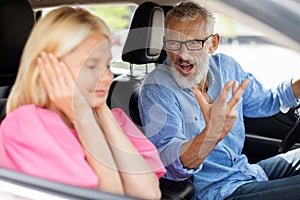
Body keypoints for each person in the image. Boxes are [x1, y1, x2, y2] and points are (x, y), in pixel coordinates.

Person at [138, 1, 300, 200]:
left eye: (194, 42)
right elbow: (170, 163)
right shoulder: (156, 89)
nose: (182, 54)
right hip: (216, 192)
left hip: (246, 172)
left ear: (213, 43)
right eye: (173, 43)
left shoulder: (226, 67)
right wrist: (211, 133)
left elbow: (266, 100)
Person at [0, 7, 166, 199]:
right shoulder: (27, 126)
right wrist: (84, 118)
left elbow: (149, 194)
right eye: (91, 65)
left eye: (107, 65)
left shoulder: (116, 119)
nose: (108, 77)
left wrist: (102, 112)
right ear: (50, 68)